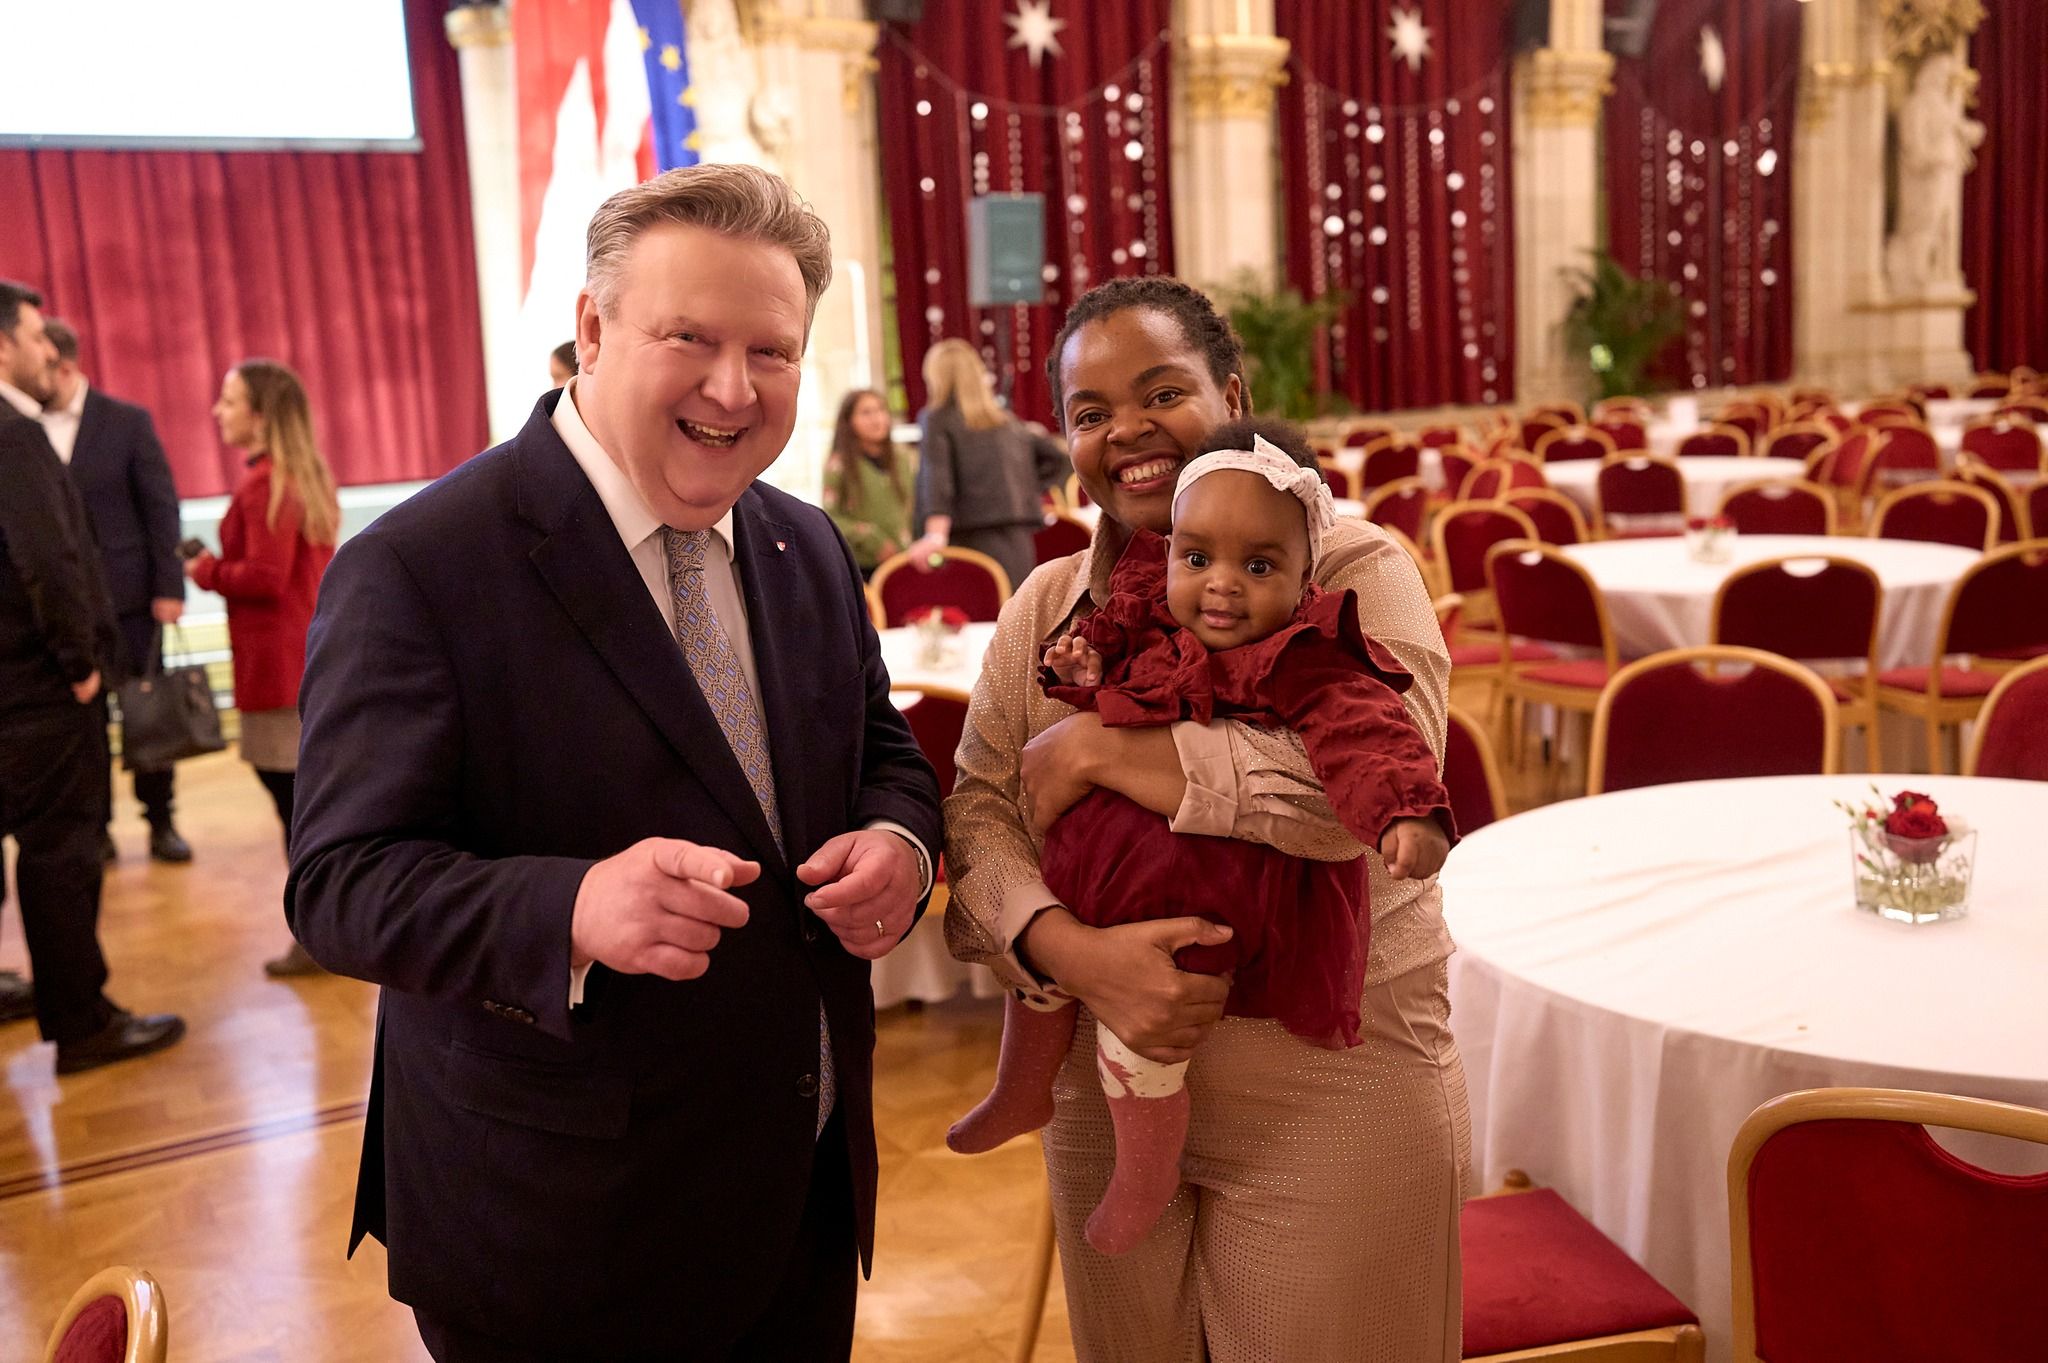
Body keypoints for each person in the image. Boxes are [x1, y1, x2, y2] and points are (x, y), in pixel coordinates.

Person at [285, 164, 943, 1361]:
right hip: (558, 1225)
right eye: (688, 337)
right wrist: (571, 906)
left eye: (774, 352)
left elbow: (879, 745)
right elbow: (339, 883)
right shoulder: (424, 564)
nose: (733, 390)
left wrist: (900, 839)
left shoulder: (802, 541)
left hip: (801, 1190)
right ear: (591, 329)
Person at [944, 276, 1469, 1362]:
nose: (1124, 432)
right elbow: (981, 811)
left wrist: (1106, 750)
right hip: (1106, 1062)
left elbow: (1362, 796)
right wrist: (1067, 949)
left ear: (1228, 396)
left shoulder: (1352, 567)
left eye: (1160, 392)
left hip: (1333, 1070)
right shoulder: (1046, 607)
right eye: (1089, 413)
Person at [0, 278, 186, 1074]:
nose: (51, 351)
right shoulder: (12, 433)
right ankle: (81, 1022)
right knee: (62, 853)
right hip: (40, 693)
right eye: (38, 336)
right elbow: (49, 558)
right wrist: (81, 664)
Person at [185, 360, 339, 978]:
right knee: (306, 806)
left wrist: (205, 571)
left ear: (260, 414)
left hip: (277, 669)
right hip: (297, 658)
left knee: (297, 810)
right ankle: (325, 928)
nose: (217, 413)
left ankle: (319, 934)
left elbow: (266, 578)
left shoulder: (265, 486)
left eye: (228, 402)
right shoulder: (298, 476)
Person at [42, 319, 194, 864]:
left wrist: (169, 586)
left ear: (63, 365)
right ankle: (97, 829)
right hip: (65, 610)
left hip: (131, 601)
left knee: (147, 716)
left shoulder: (127, 422)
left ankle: (161, 821)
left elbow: (160, 507)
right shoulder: (22, 428)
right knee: (83, 728)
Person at [909, 337, 1069, 591]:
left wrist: (934, 535)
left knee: (974, 622)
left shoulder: (936, 418)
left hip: (967, 542)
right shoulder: (1008, 422)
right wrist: (1027, 487)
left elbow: (937, 479)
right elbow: (1058, 457)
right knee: (1016, 621)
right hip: (1018, 541)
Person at [821, 387, 915, 577]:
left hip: (902, 561)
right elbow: (831, 518)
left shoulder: (902, 458)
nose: (877, 419)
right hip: (860, 566)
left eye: (881, 410)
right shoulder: (838, 464)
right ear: (849, 421)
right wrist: (870, 537)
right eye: (866, 413)